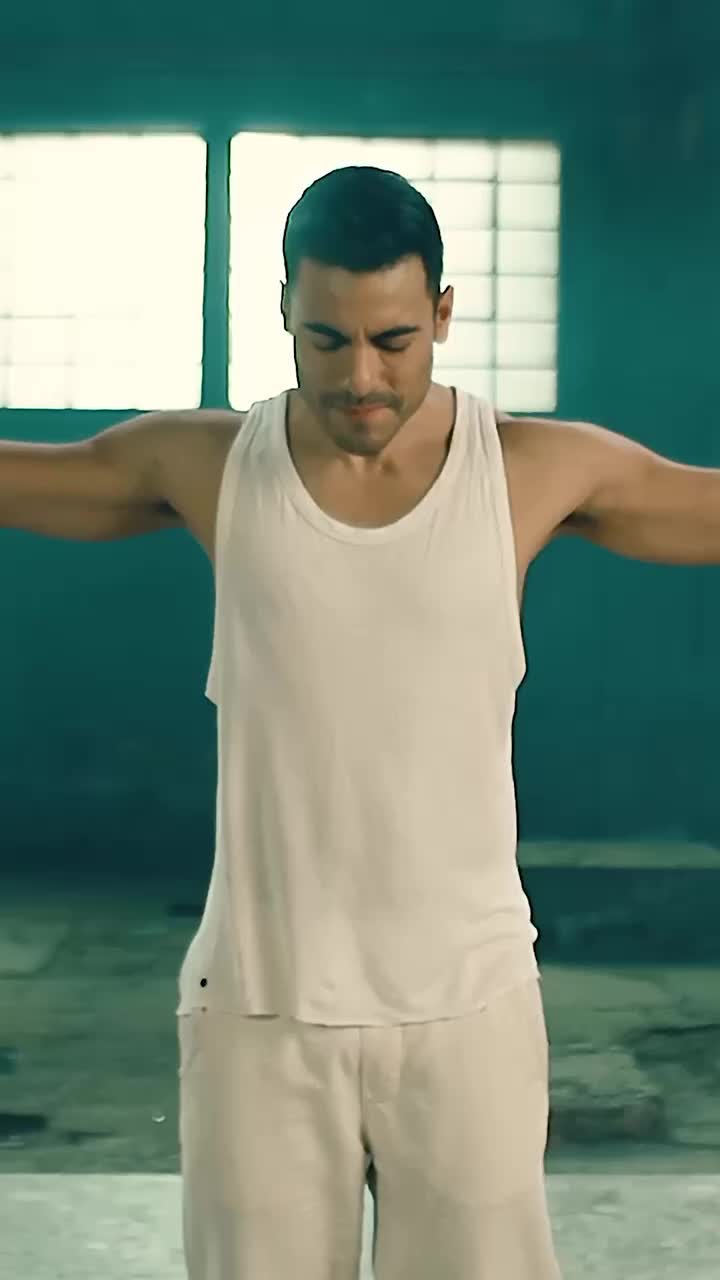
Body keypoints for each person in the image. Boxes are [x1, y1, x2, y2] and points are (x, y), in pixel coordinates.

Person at [3, 165, 719, 1280]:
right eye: (327, 340)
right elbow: (29, 476)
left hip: (467, 1004)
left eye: (394, 339)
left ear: (443, 312)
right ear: (285, 311)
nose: (362, 376)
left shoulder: (528, 469)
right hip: (261, 1004)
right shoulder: (210, 465)